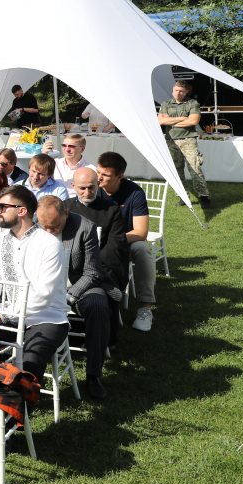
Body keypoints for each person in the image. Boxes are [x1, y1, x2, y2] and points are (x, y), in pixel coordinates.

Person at [0, 185, 69, 384]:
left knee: (30, 357)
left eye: (2, 207)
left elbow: (44, 295)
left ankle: (20, 404)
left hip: (47, 317)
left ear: (22, 211)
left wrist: (3, 316)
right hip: (8, 312)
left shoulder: (50, 244)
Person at [36, 196, 115, 399]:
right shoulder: (34, 226)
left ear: (66, 214)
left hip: (78, 284)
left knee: (98, 304)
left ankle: (93, 376)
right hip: (42, 286)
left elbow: (92, 272)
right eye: (43, 225)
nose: (47, 230)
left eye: (53, 226)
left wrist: (70, 296)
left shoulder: (85, 228)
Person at [96, 152, 156, 332]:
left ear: (119, 176)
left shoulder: (134, 192)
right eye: (98, 172)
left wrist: (114, 240)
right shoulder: (92, 188)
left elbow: (141, 232)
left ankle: (145, 308)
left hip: (123, 242)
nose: (98, 178)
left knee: (142, 248)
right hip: (95, 241)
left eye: (105, 175)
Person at [66, 167, 131, 297]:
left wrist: (91, 264)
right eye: (82, 188)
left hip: (102, 264)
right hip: (69, 264)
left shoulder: (112, 210)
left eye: (91, 187)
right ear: (73, 186)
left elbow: (115, 244)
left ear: (98, 184)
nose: (87, 192)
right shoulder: (64, 208)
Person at [159, 79, 211, 209]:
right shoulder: (166, 104)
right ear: (173, 90)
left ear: (186, 92)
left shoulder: (192, 103)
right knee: (176, 170)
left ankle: (204, 197)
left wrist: (170, 121)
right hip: (171, 140)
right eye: (176, 90)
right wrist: (182, 118)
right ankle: (183, 196)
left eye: (181, 91)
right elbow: (160, 121)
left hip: (188, 140)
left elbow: (193, 121)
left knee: (195, 168)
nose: (178, 93)